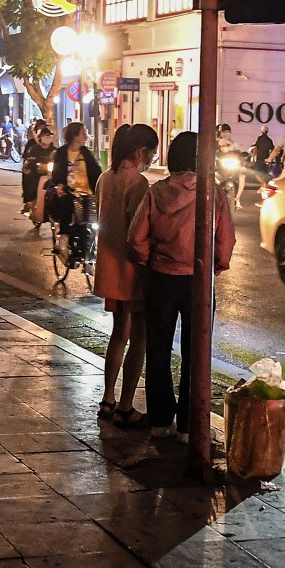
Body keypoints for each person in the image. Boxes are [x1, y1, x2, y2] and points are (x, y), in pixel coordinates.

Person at [129, 131, 234, 442]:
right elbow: (225, 241)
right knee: (196, 351)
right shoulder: (212, 193)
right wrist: (213, 267)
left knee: (158, 349)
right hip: (198, 282)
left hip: (161, 278)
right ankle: (189, 423)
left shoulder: (156, 192)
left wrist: (151, 259)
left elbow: (136, 238)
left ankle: (160, 420)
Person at [95, 123, 157, 426]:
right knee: (139, 338)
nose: (152, 158)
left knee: (118, 333)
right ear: (140, 151)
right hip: (132, 269)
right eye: (152, 152)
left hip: (109, 266)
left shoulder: (105, 178)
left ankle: (108, 398)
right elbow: (139, 231)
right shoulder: (139, 182)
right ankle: (126, 404)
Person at [47, 121, 102, 265]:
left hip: (87, 193)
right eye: (83, 133)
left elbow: (96, 172)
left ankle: (88, 250)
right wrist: (59, 186)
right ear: (75, 136)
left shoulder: (86, 153)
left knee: (90, 221)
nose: (85, 136)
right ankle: (64, 237)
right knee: (68, 205)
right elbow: (57, 174)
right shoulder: (61, 153)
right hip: (69, 192)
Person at [20, 120, 55, 226]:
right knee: (33, 187)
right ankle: (34, 208)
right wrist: (31, 164)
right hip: (36, 174)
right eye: (45, 135)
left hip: (49, 174)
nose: (47, 137)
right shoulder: (34, 149)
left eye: (49, 135)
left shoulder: (54, 150)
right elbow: (28, 160)